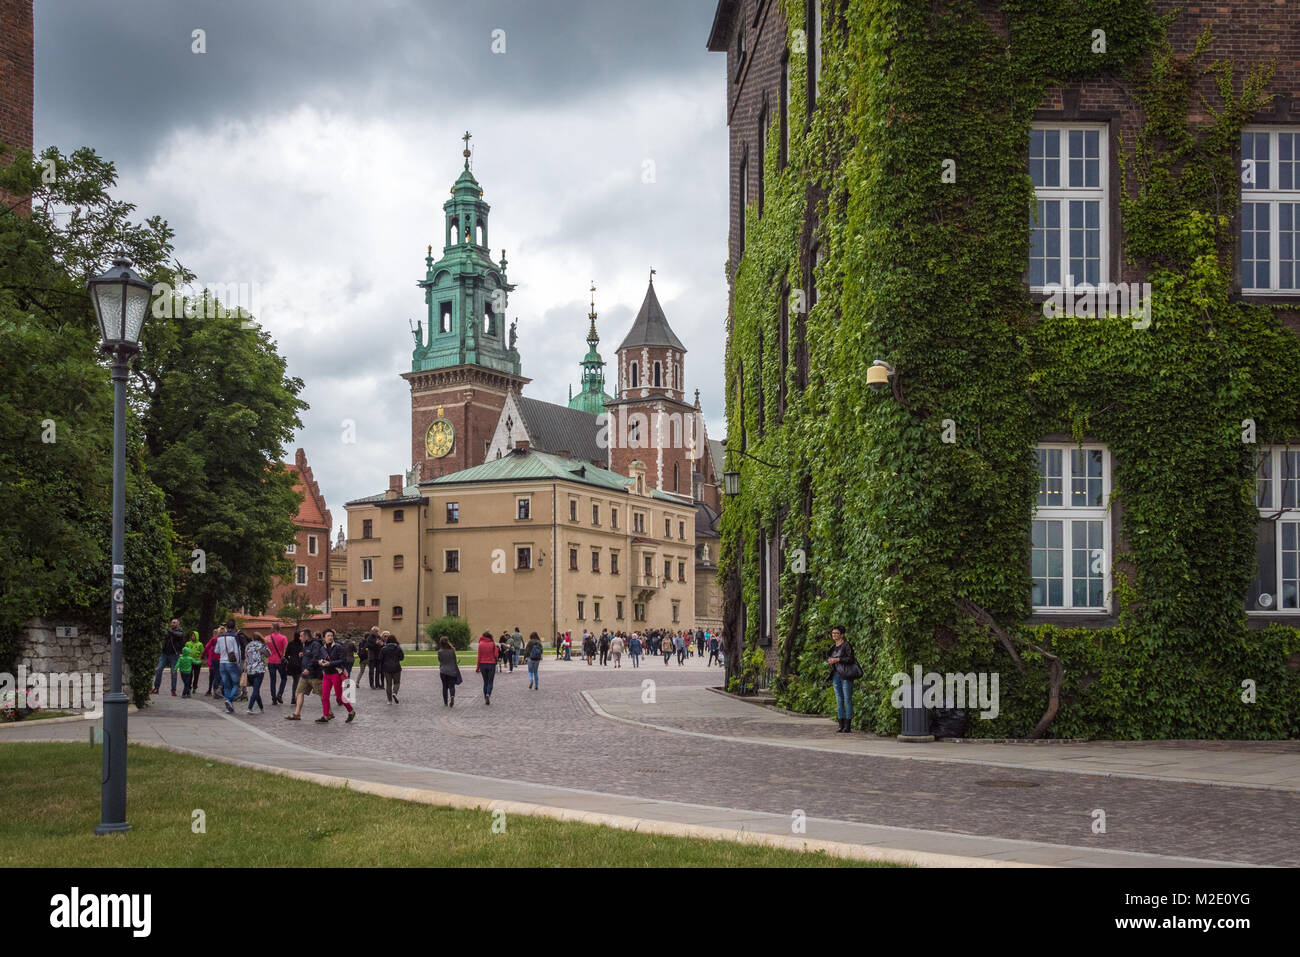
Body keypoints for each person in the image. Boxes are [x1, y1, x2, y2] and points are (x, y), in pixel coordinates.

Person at [317, 628, 356, 724]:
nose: (330, 637)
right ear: (324, 638)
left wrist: (329, 663)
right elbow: (320, 658)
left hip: (336, 674)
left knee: (339, 697)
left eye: (331, 635)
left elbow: (342, 660)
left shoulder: (338, 647)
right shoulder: (322, 648)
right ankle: (325, 716)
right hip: (326, 674)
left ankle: (351, 711)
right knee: (325, 696)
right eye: (328, 636)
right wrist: (320, 662)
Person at [827, 625, 858, 733]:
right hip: (836, 675)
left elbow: (851, 659)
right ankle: (840, 725)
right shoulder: (832, 647)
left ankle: (848, 726)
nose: (834, 635)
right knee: (839, 700)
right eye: (833, 633)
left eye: (836, 633)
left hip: (845, 675)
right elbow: (831, 659)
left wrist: (837, 659)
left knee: (847, 700)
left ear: (842, 635)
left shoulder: (846, 645)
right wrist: (831, 661)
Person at [286, 629, 322, 721]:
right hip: (305, 675)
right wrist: (303, 654)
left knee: (322, 695)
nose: (299, 638)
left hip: (314, 674)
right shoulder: (305, 645)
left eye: (301, 636)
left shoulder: (315, 644)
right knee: (299, 692)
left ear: (306, 636)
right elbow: (309, 655)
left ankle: (329, 712)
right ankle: (297, 714)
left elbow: (315, 658)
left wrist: (308, 668)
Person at [214, 621, 243, 714]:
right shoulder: (234, 637)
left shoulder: (220, 637)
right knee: (236, 683)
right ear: (234, 627)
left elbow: (216, 650)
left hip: (222, 662)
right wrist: (238, 663)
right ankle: (229, 700)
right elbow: (237, 651)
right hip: (231, 662)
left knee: (226, 685)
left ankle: (229, 706)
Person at [153, 618, 186, 696]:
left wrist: (168, 630)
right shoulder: (169, 631)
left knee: (173, 672)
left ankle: (173, 690)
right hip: (164, 654)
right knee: (158, 669)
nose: (173, 624)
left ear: (178, 624)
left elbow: (177, 635)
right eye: (172, 623)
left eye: (174, 623)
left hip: (174, 654)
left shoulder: (180, 631)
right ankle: (156, 688)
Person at [244, 632, 268, 713]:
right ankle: (250, 707)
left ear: (252, 638)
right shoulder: (262, 645)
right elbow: (269, 654)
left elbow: (246, 657)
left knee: (256, 690)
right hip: (259, 670)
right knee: (256, 690)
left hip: (250, 670)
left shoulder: (248, 645)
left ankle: (261, 708)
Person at [265, 625, 288, 705]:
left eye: (271, 627)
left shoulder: (267, 638)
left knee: (272, 680)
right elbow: (286, 648)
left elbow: (265, 649)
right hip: (280, 661)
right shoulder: (283, 638)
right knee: (284, 678)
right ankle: (280, 694)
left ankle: (274, 698)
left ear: (274, 629)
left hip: (270, 661)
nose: (269, 628)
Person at [178, 631, 203, 697]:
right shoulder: (188, 643)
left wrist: (200, 659)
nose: (193, 637)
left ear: (197, 636)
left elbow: (202, 652)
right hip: (189, 661)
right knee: (189, 675)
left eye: (194, 636)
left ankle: (195, 686)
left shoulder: (200, 644)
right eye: (192, 635)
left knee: (196, 675)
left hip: (197, 661)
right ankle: (188, 687)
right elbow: (185, 650)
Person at [380, 633, 404, 704]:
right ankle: (395, 693)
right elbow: (402, 657)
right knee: (397, 682)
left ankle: (389, 700)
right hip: (396, 667)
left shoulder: (384, 649)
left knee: (388, 684)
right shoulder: (398, 648)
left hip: (386, 668)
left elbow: (380, 658)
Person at [476, 631, 498, 705]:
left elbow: (479, 656)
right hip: (491, 664)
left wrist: (477, 667)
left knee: (485, 682)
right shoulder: (492, 644)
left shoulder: (480, 644)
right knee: (490, 681)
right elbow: (496, 655)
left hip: (482, 664)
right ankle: (488, 694)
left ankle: (485, 697)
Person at [438, 636, 460, 707]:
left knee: (444, 686)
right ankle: (452, 696)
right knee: (452, 686)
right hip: (452, 671)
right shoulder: (452, 650)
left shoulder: (440, 652)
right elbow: (454, 660)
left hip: (443, 671)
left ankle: (445, 702)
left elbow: (440, 661)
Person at [285, 630, 304, 701]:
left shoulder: (290, 643)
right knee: (297, 681)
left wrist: (290, 659)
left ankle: (294, 696)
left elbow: (286, 655)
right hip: (298, 665)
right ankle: (295, 697)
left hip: (291, 665)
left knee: (295, 681)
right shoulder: (301, 644)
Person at [204, 627, 222, 697]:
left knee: (215, 676)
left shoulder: (214, 640)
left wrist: (203, 655)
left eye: (215, 633)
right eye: (214, 633)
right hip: (215, 661)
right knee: (216, 676)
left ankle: (215, 691)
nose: (215, 634)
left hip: (214, 661)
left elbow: (206, 648)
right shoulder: (215, 640)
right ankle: (214, 691)